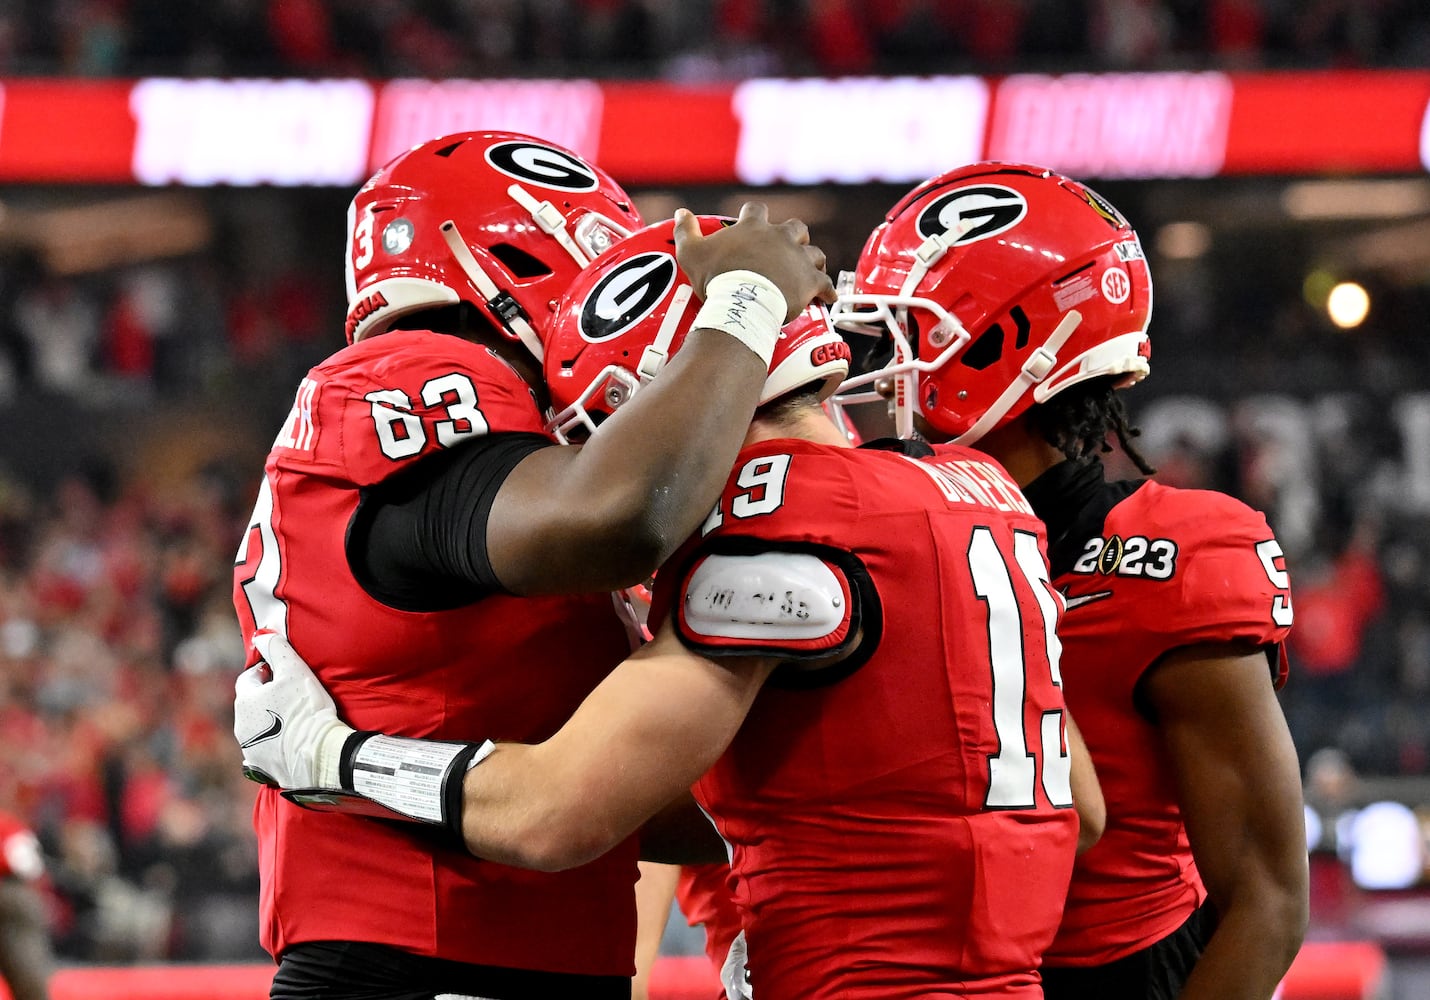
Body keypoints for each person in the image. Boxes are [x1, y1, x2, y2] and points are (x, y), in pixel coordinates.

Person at [235, 213, 1105, 1000]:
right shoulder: (978, 488)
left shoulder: (782, 520)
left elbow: (553, 814)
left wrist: (339, 758)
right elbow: (1078, 810)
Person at [231, 131, 835, 1000]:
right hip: (425, 955)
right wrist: (743, 303)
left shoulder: (500, 454)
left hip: (486, 950)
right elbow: (621, 518)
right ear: (526, 254)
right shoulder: (408, 373)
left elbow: (597, 799)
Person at [830, 161, 1308, 1000]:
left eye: (902, 334)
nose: (868, 367)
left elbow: (1268, 900)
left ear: (1003, 344)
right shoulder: (885, 519)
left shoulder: (1170, 558)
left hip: (1113, 977)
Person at [0, 810, 53, 1000]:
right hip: (12, 891)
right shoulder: (9, 825)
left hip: (11, 893)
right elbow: (28, 866)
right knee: (28, 976)